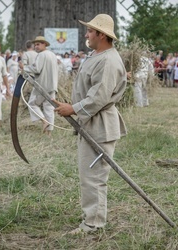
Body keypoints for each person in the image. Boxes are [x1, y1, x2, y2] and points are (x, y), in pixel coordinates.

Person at [53, 13, 127, 234]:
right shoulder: (97, 55)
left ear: (101, 35)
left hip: (100, 125)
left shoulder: (108, 60)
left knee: (94, 177)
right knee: (89, 174)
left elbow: (99, 97)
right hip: (91, 123)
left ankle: (93, 224)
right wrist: (72, 106)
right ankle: (92, 217)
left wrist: (73, 109)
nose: (86, 34)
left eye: (90, 31)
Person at [19, 35, 59, 135]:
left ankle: (44, 121)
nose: (36, 46)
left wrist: (24, 68)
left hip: (42, 86)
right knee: (49, 108)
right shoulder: (53, 55)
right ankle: (49, 133)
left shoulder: (41, 55)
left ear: (44, 44)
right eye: (35, 44)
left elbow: (36, 68)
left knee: (32, 104)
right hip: (52, 85)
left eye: (38, 44)